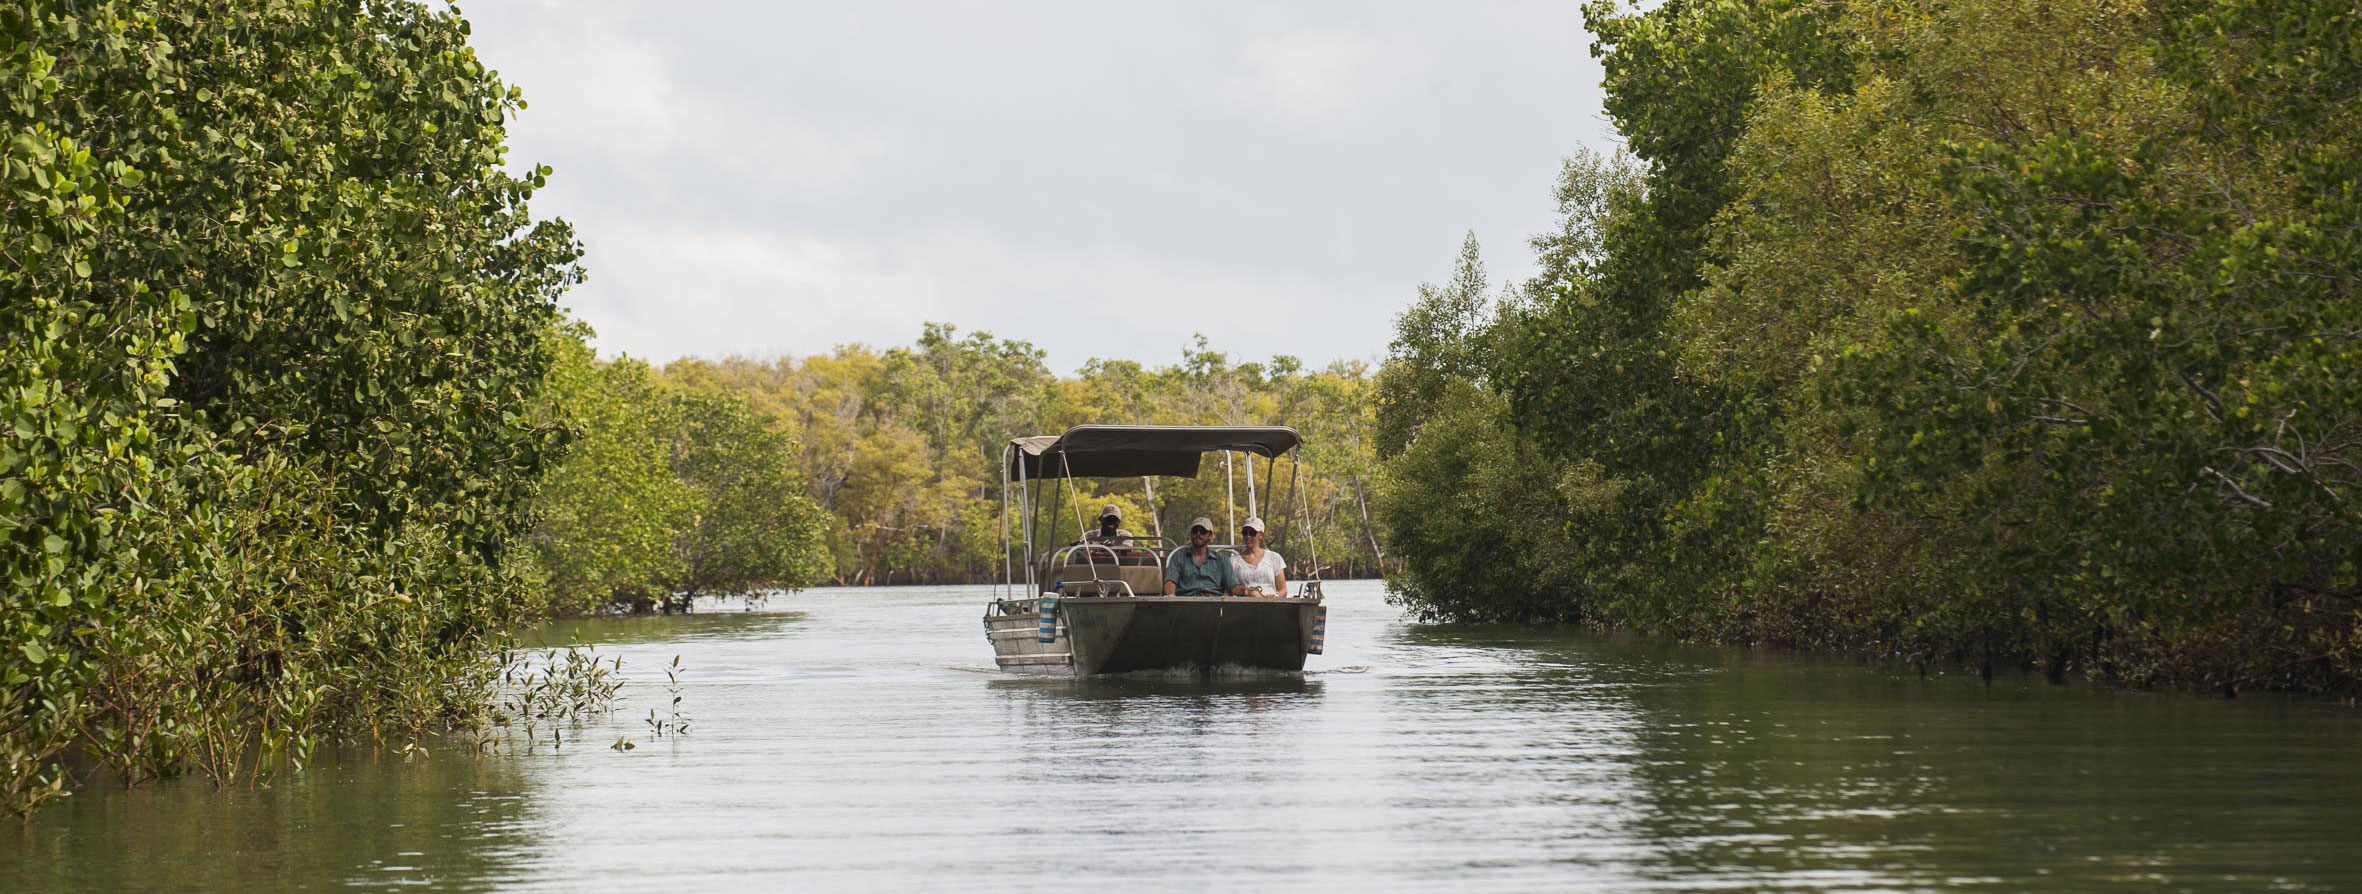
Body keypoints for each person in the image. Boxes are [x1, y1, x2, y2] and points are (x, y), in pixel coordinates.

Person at [1163, 516, 1242, 597]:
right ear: (1191, 534)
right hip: (1186, 601)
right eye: (1195, 531)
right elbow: (1170, 580)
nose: (1198, 534)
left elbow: (1232, 586)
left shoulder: (1222, 560)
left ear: (1210, 535)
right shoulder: (1178, 557)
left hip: (1214, 602)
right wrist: (1171, 594)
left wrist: (1247, 591)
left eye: (1203, 532)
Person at [1229, 515, 1287, 598]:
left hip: (1272, 605)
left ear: (1261, 535)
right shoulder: (1233, 561)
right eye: (1245, 533)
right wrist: (1246, 591)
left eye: (1252, 533)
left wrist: (1275, 596)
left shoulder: (1274, 557)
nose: (1248, 536)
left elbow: (1283, 590)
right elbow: (1231, 588)